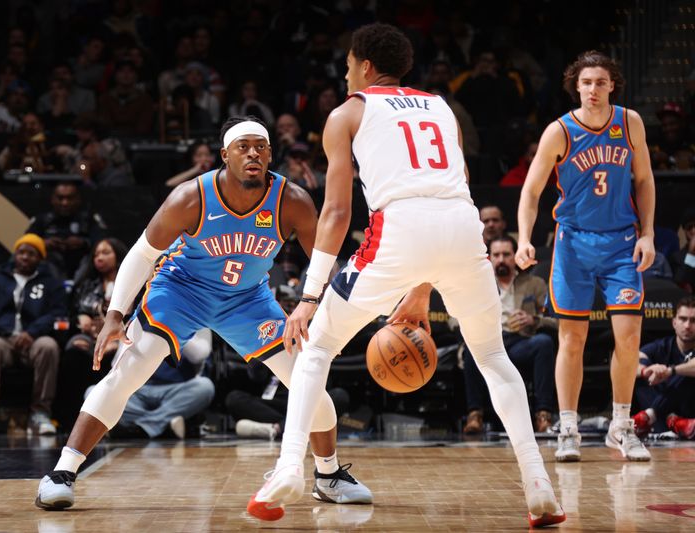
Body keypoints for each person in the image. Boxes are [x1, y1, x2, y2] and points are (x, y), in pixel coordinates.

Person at [249, 23, 564, 528]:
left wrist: (309, 297)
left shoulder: (347, 112)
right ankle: (539, 484)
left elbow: (335, 214)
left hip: (398, 227)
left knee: (316, 347)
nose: (346, 73)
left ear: (366, 66)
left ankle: (289, 468)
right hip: (464, 226)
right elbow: (447, 190)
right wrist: (421, 289)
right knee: (492, 356)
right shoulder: (442, 108)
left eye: (350, 65)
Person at [35, 116, 372, 510]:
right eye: (243, 146)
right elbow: (143, 253)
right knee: (129, 370)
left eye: (260, 147)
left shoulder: (291, 200)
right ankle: (61, 472)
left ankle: (328, 475)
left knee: (307, 380)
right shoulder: (190, 197)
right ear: (224, 155)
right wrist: (115, 312)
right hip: (181, 290)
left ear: (270, 155)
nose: (253, 154)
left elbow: (325, 258)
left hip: (247, 299)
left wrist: (313, 303)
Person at [516, 50, 656, 462]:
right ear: (575, 87)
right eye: (586, 83)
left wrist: (647, 234)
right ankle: (569, 428)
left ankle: (620, 425)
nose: (593, 90)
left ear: (612, 84)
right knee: (571, 339)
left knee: (628, 338)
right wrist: (525, 238)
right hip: (574, 242)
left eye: (600, 82)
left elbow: (645, 180)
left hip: (621, 243)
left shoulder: (629, 123)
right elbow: (530, 190)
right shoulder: (559, 131)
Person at [0, 234, 67, 437]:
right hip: (2, 338)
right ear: (15, 254)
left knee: (48, 346)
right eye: (21, 252)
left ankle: (41, 413)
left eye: (31, 254)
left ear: (40, 258)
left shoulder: (51, 284)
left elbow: (58, 313)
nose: (25, 257)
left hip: (33, 340)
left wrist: (32, 332)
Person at [462, 236, 557, 434]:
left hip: (521, 341)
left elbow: (555, 320)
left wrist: (534, 320)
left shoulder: (535, 284)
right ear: (489, 258)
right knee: (470, 351)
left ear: (515, 257)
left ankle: (543, 415)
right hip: (491, 341)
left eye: (506, 254)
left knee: (544, 342)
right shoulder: (477, 284)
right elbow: (453, 318)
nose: (501, 259)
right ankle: (474, 415)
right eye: (496, 255)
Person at [54, 238, 128, 430]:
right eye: (96, 254)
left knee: (116, 352)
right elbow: (74, 311)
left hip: (122, 336)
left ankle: (112, 419)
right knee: (74, 350)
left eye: (105, 253)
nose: (99, 258)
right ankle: (70, 419)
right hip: (90, 336)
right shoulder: (87, 283)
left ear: (118, 255)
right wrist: (80, 318)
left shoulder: (130, 281)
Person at [96, 328, 215, 439]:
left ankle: (137, 428)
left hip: (176, 390)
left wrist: (171, 326)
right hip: (138, 391)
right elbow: (116, 364)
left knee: (205, 387)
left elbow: (199, 356)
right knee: (94, 392)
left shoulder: (198, 316)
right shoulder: (140, 317)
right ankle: (164, 425)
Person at [632, 296, 695, 439]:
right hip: (681, 423)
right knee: (642, 376)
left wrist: (670, 371)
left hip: (689, 410)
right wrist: (646, 370)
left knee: (686, 371)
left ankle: (649, 416)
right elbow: (632, 360)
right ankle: (673, 421)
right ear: (674, 322)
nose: (687, 325)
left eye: (693, 321)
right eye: (683, 319)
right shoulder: (662, 345)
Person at [26, 182, 108, 280]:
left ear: (78, 199)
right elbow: (25, 244)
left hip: (85, 272)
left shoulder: (88, 220)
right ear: (52, 199)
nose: (65, 203)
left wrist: (83, 243)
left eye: (70, 198)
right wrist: (43, 244)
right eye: (60, 198)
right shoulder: (42, 220)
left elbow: (104, 243)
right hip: (47, 274)